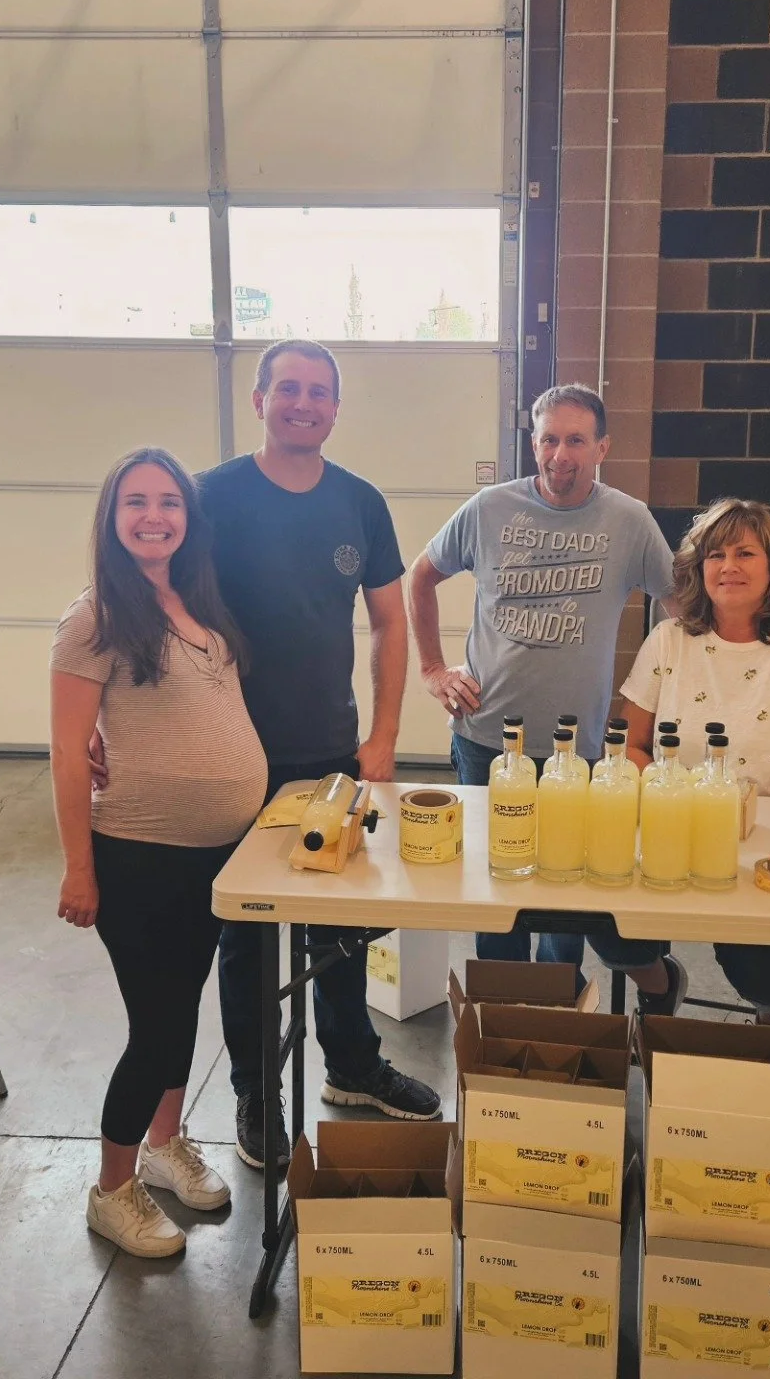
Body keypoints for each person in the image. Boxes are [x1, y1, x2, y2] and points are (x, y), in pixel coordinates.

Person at [199, 340, 441, 1167]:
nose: (305, 403)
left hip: (330, 751)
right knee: (248, 934)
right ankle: (254, 1093)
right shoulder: (211, 498)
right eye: (289, 389)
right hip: (230, 755)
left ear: (336, 409)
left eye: (320, 393)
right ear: (260, 398)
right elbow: (148, 602)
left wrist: (381, 737)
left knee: (338, 925)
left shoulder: (360, 504)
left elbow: (388, 622)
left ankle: (353, 1067)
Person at [51, 447, 268, 1259]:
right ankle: (111, 1191)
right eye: (136, 502)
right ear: (112, 518)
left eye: (169, 502)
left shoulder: (195, 598)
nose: (154, 516)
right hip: (138, 855)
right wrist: (79, 866)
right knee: (159, 1028)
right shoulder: (95, 617)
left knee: (182, 1007)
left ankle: (163, 1145)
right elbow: (70, 753)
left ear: (188, 517)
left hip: (211, 857)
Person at [407, 382, 676, 962]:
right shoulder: (491, 508)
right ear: (534, 445)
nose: (562, 455)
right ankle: (500, 1025)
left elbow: (680, 605)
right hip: (485, 737)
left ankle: (556, 1021)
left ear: (602, 447)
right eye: (549, 439)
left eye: (576, 440)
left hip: (575, 753)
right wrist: (432, 669)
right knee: (495, 894)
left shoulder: (630, 521)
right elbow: (421, 575)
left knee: (564, 896)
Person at [590, 496, 770, 1020]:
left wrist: (749, 823)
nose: (728, 567)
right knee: (608, 924)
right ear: (698, 568)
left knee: (763, 973)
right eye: (715, 555)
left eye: (745, 554)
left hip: (762, 842)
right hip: (668, 828)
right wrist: (675, 805)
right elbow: (630, 746)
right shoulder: (668, 641)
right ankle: (658, 984)